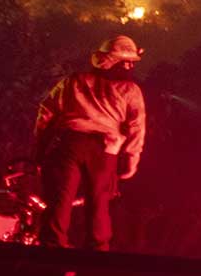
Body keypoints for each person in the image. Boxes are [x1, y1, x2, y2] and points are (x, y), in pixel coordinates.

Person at [33, 35, 146, 250]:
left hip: (68, 145)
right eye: (127, 62)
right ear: (115, 61)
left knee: (60, 201)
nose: (131, 66)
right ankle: (97, 254)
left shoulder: (73, 81)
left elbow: (46, 112)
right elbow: (136, 129)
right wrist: (131, 161)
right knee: (99, 204)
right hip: (105, 151)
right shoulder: (131, 91)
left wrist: (40, 148)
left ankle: (51, 249)